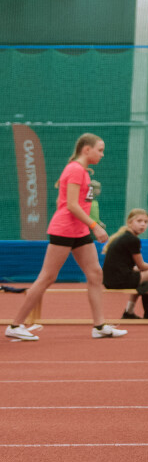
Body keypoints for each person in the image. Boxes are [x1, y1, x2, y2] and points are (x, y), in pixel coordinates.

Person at [7, 134, 125, 341]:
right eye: (100, 150)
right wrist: (95, 226)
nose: (102, 154)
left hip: (79, 231)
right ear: (86, 149)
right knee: (47, 277)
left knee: (95, 273)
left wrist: (88, 225)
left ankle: (99, 326)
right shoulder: (75, 170)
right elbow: (71, 205)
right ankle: (16, 325)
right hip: (64, 230)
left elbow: (67, 202)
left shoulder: (84, 172)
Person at [102, 208, 148, 322]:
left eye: (146, 222)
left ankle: (130, 311)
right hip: (119, 280)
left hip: (110, 280)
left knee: (146, 279)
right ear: (129, 222)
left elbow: (132, 267)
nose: (143, 224)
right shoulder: (132, 239)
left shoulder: (124, 237)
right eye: (139, 221)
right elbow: (141, 266)